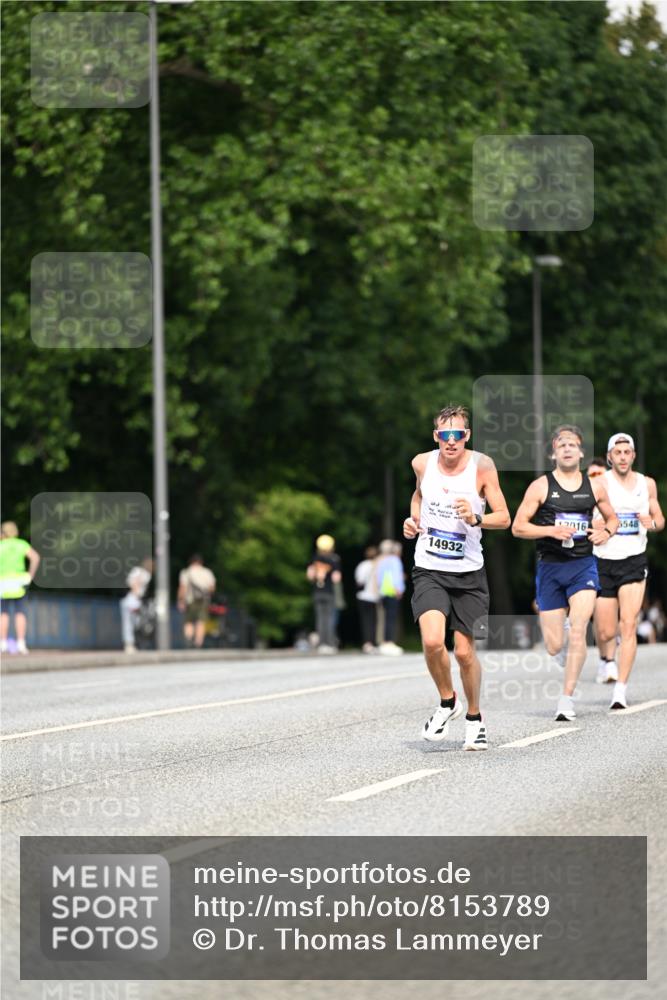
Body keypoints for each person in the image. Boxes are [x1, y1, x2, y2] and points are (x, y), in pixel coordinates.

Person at [403, 404, 511, 750]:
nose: (451, 441)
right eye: (445, 435)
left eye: (458, 435)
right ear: (436, 437)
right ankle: (448, 702)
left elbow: (505, 517)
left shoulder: (482, 467)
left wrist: (477, 519)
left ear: (468, 436)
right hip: (430, 567)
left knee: (464, 654)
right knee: (433, 641)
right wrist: (413, 519)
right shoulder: (422, 463)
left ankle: (475, 718)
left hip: (469, 573)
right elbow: (419, 494)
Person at [512, 425, 618, 722]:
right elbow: (518, 526)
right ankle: (562, 648)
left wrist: (607, 531)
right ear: (553, 452)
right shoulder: (540, 486)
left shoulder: (594, 486)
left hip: (582, 565)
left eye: (573, 444)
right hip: (550, 567)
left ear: (581, 452)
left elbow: (613, 518)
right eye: (562, 445)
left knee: (579, 629)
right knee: (554, 644)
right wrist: (550, 531)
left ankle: (566, 699)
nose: (568, 449)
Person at [591, 433, 664, 708]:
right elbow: (584, 515)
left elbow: (659, 519)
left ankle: (620, 689)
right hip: (604, 561)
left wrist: (653, 522)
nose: (622, 456)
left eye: (627, 451)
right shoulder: (598, 483)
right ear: (609, 456)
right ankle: (606, 659)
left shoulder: (647, 484)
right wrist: (596, 526)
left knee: (629, 624)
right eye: (617, 452)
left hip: (634, 560)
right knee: (607, 631)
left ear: (633, 455)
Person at [586, 456, 618, 681]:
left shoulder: (614, 499)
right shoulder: (579, 499)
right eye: (592, 475)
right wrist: (590, 524)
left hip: (616, 559)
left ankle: (610, 660)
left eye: (600, 474)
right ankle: (603, 658)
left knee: (612, 615)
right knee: (599, 616)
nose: (596, 478)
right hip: (588, 561)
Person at [0, 521, 40, 655]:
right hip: (19, 582)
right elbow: (35, 557)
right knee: (20, 613)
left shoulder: (1, 545)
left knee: (3, 613)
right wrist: (30, 575)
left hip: (3, 582)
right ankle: (21, 643)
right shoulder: (21, 544)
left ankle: (3, 644)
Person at [306, 535, 341, 654]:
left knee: (320, 618)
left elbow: (310, 575)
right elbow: (337, 578)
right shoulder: (334, 559)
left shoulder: (314, 559)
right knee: (330, 618)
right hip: (329, 592)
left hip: (317, 592)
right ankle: (330, 644)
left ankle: (321, 644)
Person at [178, 554, 216, 649]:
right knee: (201, 621)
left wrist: (181, 600)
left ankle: (189, 639)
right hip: (204, 600)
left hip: (190, 600)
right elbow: (212, 588)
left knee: (189, 621)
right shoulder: (207, 572)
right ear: (201, 562)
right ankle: (198, 642)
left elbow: (183, 587)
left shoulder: (186, 572)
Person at [375, 539, 405, 655]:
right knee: (391, 618)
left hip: (383, 591)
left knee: (386, 617)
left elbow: (379, 577)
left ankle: (385, 642)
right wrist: (399, 589)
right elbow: (397, 576)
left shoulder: (382, 560)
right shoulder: (395, 560)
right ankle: (389, 642)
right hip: (392, 591)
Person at [120, 557, 153, 654]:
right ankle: (130, 644)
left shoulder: (136, 570)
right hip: (133, 600)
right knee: (133, 623)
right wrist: (137, 591)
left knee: (133, 623)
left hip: (130, 600)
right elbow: (133, 583)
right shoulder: (145, 574)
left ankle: (131, 644)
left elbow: (130, 581)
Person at [354, 545, 379, 653]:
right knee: (373, 621)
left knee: (366, 620)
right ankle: (372, 643)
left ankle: (367, 643)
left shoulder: (362, 565)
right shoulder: (378, 565)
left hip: (363, 596)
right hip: (374, 597)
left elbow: (359, 581)